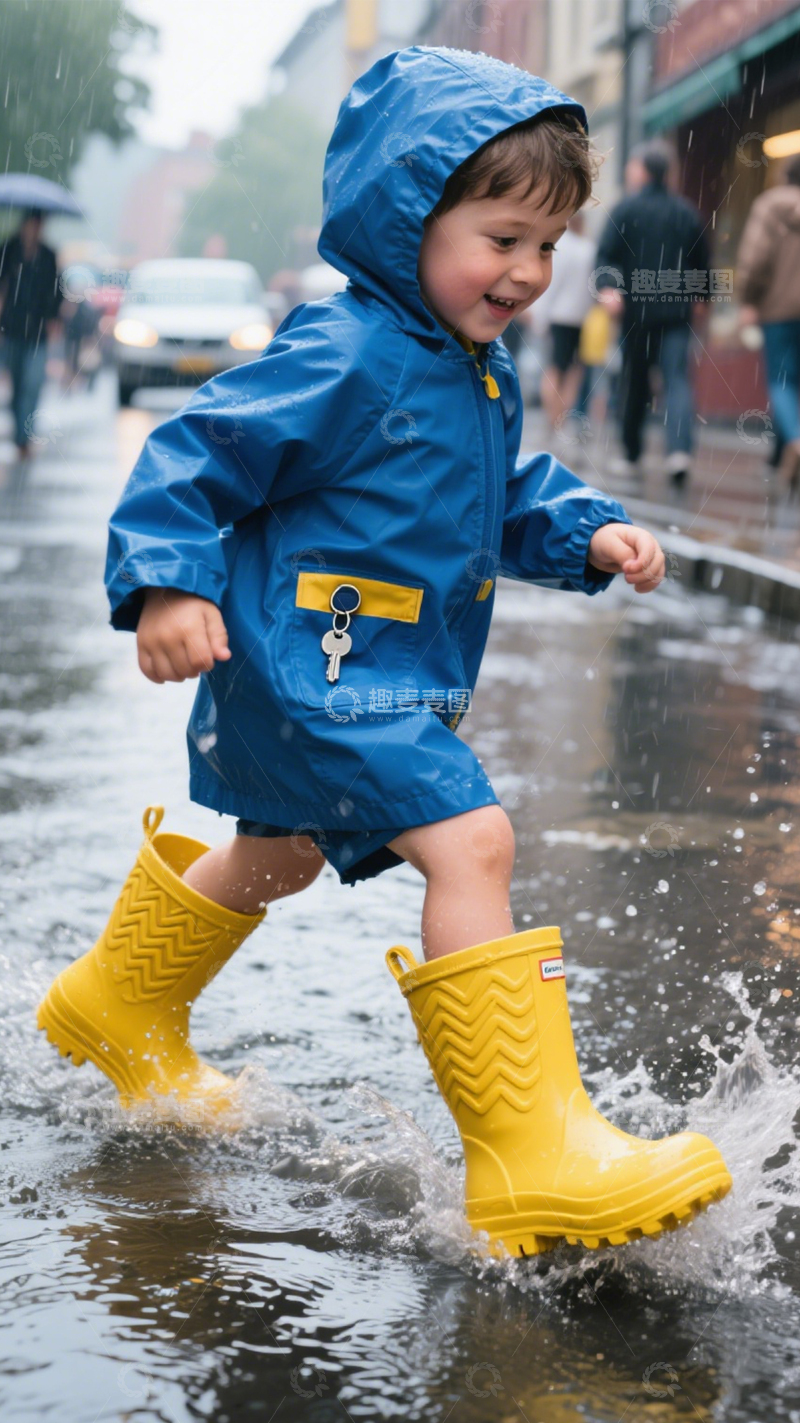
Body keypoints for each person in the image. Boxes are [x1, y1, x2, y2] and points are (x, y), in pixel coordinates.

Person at [37, 48, 730, 1257]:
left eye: (547, 246)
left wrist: (586, 530)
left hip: (357, 662)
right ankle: (527, 1153)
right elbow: (193, 451)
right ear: (405, 218)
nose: (525, 272)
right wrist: (162, 586)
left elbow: (499, 495)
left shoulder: (474, 370)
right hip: (321, 662)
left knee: (285, 855)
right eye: (500, 237)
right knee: (472, 838)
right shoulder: (346, 348)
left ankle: (122, 996)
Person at [595, 141, 710, 486]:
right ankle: (680, 451)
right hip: (676, 311)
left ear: (643, 171)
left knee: (635, 381)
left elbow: (605, 256)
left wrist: (608, 288)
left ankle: (632, 454)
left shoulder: (626, 209)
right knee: (677, 381)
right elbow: (702, 262)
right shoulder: (686, 211)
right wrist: (701, 299)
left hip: (636, 313)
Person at [737, 153, 800, 492]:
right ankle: (781, 455)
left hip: (778, 309)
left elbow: (755, 256)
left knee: (783, 381)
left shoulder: (772, 204)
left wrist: (749, 299)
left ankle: (796, 443)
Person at [0, 207, 62, 459]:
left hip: (37, 331)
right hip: (11, 327)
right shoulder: (8, 250)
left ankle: (25, 436)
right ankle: (18, 431)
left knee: (33, 383)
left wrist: (53, 318)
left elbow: (57, 290)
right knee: (16, 383)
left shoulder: (48, 255)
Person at [534, 209, 597, 434]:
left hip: (558, 316)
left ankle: (552, 416)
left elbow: (552, 285)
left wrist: (540, 318)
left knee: (553, 367)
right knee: (573, 369)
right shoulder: (590, 249)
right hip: (581, 318)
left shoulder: (561, 248)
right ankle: (561, 414)